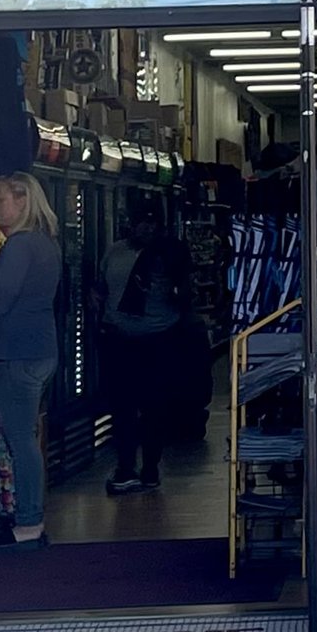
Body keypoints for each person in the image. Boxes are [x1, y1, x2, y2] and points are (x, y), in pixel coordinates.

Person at [0, 173, 63, 550]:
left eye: (1, 199)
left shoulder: (21, 246)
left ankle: (28, 524)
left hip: (14, 351)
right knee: (26, 437)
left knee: (21, 440)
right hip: (38, 347)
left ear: (22, 200)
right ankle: (29, 519)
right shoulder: (45, 244)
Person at [99, 204, 176, 495]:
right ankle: (126, 466)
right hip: (119, 340)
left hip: (158, 340)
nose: (147, 227)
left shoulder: (170, 253)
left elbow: (184, 291)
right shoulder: (114, 252)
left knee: (154, 408)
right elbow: (101, 286)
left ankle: (151, 467)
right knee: (122, 407)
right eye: (142, 221)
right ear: (130, 224)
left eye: (153, 222)